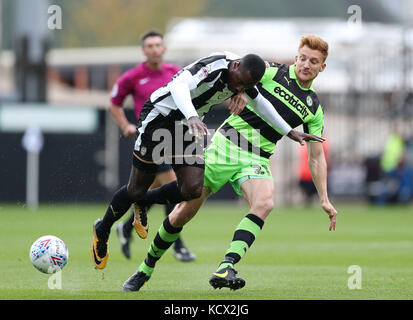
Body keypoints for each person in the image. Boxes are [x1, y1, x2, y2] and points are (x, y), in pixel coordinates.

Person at [119, 35, 335, 292]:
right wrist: (241, 90)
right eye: (302, 58)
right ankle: (145, 269)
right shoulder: (272, 71)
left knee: (265, 203)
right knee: (181, 214)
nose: (305, 65)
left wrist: (324, 197)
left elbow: (316, 155)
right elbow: (239, 69)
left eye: (314, 61)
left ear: (322, 67)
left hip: (258, 157)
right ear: (296, 56)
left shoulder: (314, 108)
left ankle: (227, 266)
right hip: (228, 144)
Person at [109, 30, 195, 262]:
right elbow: (114, 103)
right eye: (150, 46)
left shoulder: (175, 73)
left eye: (158, 45)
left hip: (174, 138)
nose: (155, 49)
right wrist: (125, 125)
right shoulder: (133, 77)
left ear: (164, 49)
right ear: (143, 50)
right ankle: (178, 246)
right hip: (150, 141)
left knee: (148, 193)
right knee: (174, 187)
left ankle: (125, 228)